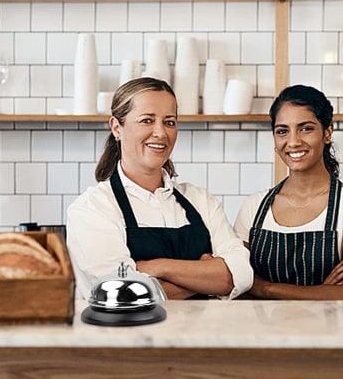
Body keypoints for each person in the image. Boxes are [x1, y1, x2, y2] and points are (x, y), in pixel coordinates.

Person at [67, 77, 253, 301]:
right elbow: (123, 294)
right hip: (127, 335)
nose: (161, 133)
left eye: (170, 122)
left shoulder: (201, 200)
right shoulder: (92, 208)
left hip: (203, 334)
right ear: (117, 127)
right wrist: (204, 278)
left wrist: (159, 267)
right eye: (147, 120)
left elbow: (239, 275)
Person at [234, 84, 343, 300]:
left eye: (306, 128)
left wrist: (265, 288)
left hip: (328, 332)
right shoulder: (255, 206)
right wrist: (321, 292)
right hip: (261, 332)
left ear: (327, 132)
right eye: (282, 131)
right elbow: (235, 281)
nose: (293, 141)